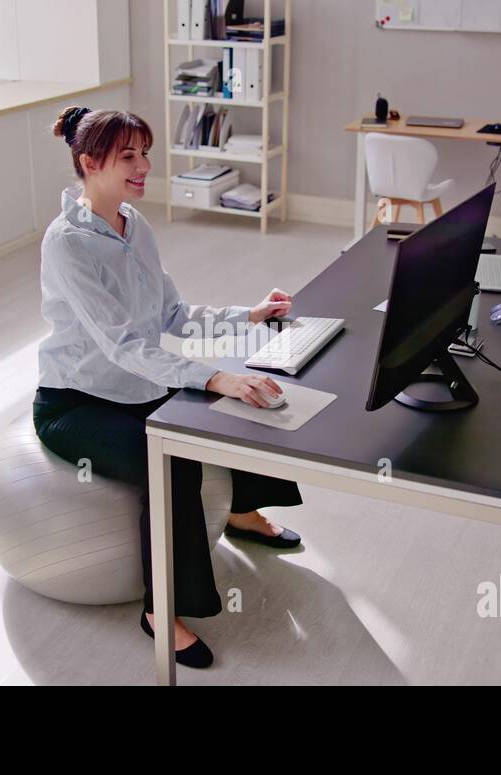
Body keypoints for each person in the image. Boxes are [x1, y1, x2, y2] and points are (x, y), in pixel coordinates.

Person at [32, 105, 304, 669]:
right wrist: (212, 373)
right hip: (77, 402)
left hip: (134, 386)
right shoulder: (67, 244)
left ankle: (242, 513)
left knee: (226, 409)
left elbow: (174, 315)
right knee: (174, 460)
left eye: (144, 153)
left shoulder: (136, 224)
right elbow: (121, 347)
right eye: (128, 156)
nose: (145, 165)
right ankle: (161, 609)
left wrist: (249, 315)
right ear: (88, 162)